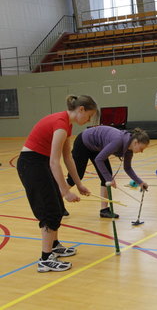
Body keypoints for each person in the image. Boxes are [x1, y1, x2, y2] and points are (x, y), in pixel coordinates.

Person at [16, 95, 98, 272]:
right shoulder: (61, 124)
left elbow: (68, 157)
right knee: (49, 210)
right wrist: (65, 190)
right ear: (81, 109)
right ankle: (45, 259)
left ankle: (53, 246)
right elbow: (55, 161)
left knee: (57, 206)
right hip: (31, 164)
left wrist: (78, 183)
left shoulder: (66, 124)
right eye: (89, 115)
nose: (89, 119)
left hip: (39, 163)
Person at [66, 126, 150, 218]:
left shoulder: (129, 150)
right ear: (135, 142)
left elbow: (127, 168)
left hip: (96, 147)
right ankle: (56, 203)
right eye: (141, 148)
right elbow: (99, 160)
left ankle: (104, 210)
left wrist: (140, 182)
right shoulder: (118, 141)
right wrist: (110, 179)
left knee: (105, 177)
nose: (141, 151)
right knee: (74, 178)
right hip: (83, 142)